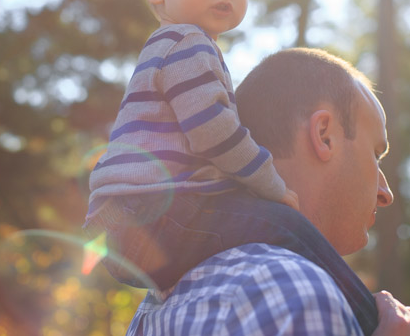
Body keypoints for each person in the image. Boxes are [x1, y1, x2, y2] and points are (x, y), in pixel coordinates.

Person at [84, 0, 298, 291]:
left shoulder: (168, 47)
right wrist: (273, 184)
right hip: (151, 211)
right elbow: (214, 133)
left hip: (121, 220)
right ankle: (372, 320)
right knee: (285, 226)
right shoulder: (187, 43)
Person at [126, 48, 410, 335]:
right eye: (376, 154)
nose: (386, 193)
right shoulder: (297, 294)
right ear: (324, 134)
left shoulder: (152, 309)